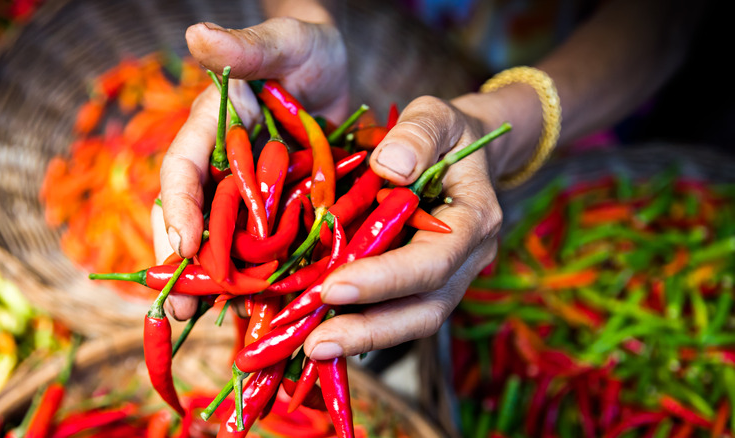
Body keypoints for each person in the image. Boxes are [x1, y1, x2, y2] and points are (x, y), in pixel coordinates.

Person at [151, 0, 706, 362]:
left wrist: (499, 126)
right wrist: (307, 26)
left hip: (585, 83)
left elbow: (668, 16)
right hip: (391, 49)